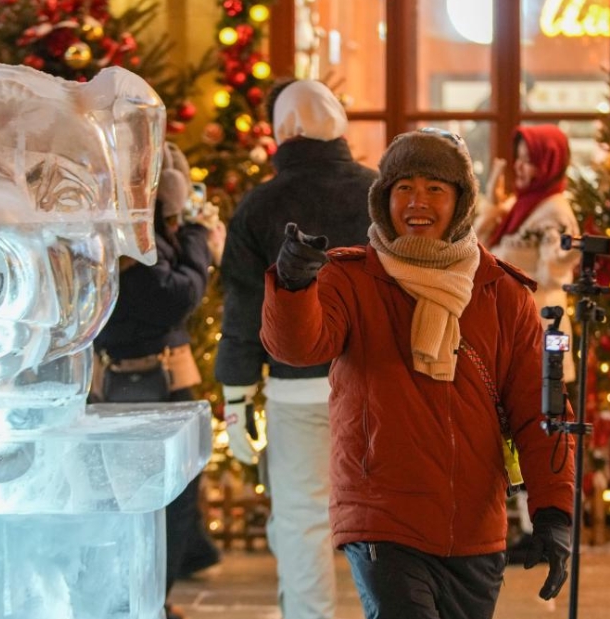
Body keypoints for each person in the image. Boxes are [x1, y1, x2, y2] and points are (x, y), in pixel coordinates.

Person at [259, 128, 575, 619]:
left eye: (435, 188)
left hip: (474, 527)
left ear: (462, 201)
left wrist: (554, 514)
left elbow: (540, 408)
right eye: (403, 187)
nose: (417, 201)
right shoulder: (351, 278)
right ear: (383, 198)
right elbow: (299, 347)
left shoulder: (501, 292)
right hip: (383, 519)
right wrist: (295, 285)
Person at [215, 79, 377, 619]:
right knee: (387, 518)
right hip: (376, 383)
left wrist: (236, 396)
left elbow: (242, 306)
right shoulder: (379, 194)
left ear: (281, 133)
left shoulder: (260, 205)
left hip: (296, 387)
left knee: (301, 519)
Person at [94, 142, 224, 619]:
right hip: (144, 383)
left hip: (141, 381)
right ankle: (146, 603)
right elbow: (173, 295)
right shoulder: (126, 239)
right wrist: (194, 234)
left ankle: (149, 599)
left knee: (163, 498)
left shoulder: (131, 229)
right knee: (161, 500)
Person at [474, 124, 581, 563]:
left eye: (527, 158)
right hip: (515, 335)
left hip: (545, 332)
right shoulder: (521, 206)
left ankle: (547, 526)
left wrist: (562, 255)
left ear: (549, 162)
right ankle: (526, 523)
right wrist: (493, 212)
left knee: (544, 430)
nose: (519, 166)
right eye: (516, 157)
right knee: (519, 430)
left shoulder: (555, 211)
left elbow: (554, 273)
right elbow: (478, 250)